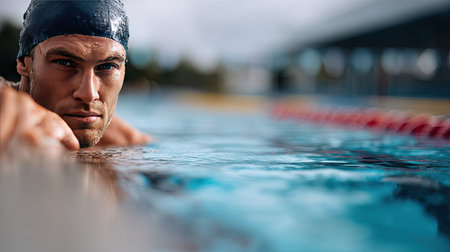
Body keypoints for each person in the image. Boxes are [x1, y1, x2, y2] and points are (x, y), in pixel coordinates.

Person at [0, 0, 152, 151]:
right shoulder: (5, 105)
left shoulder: (128, 144)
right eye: (65, 63)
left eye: (107, 66)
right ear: (23, 63)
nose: (89, 94)